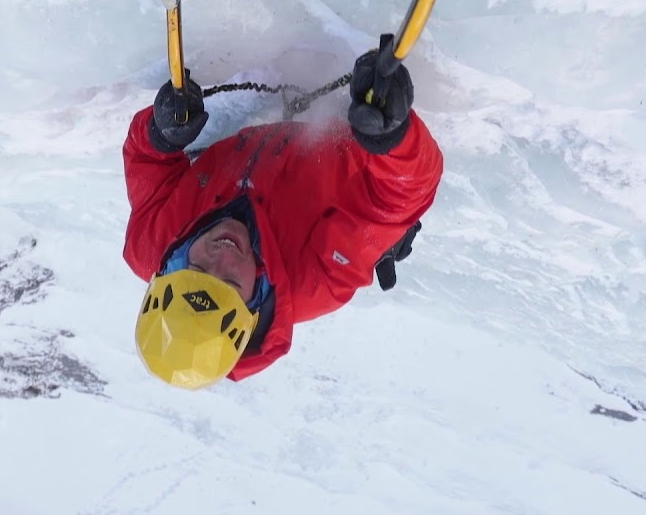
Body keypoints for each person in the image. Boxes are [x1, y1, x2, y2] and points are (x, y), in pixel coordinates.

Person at [123, 41, 443, 389]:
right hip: (350, 153)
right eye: (231, 283)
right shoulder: (315, 280)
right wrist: (393, 139)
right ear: (252, 308)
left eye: (198, 269)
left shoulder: (151, 244)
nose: (223, 255)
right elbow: (399, 196)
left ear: (170, 270)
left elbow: (146, 164)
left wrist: (160, 135)